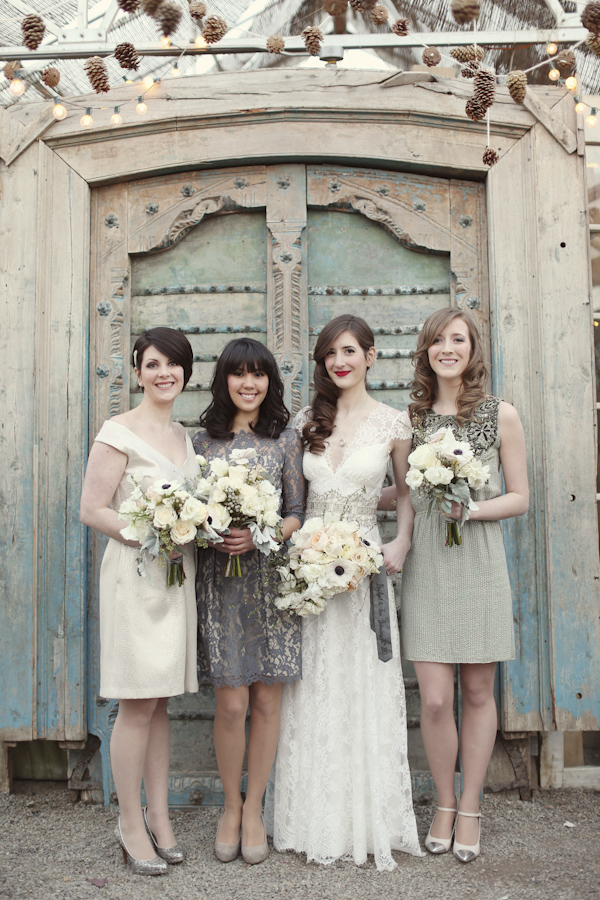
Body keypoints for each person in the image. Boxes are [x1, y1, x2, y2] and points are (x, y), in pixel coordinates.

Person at [264, 314, 422, 871]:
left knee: (361, 680)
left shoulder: (394, 424)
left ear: (371, 356)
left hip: (361, 566)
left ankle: (364, 818)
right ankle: (310, 817)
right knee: (311, 683)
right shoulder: (308, 420)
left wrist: (400, 542)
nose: (340, 361)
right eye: (330, 353)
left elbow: (405, 493)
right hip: (309, 565)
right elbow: (295, 497)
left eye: (350, 350)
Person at [400, 308, 529, 863]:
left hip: (478, 563)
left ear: (474, 348)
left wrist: (471, 509)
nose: (447, 348)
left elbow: (520, 497)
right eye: (438, 340)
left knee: (477, 692)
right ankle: (444, 802)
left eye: (458, 339)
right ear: (426, 350)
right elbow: (403, 492)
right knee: (433, 699)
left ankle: (471, 805)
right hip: (428, 563)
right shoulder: (413, 418)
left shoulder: (502, 415)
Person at [80, 327, 199, 876]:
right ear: (136, 371)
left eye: (173, 365)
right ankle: (129, 823)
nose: (163, 373)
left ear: (185, 373)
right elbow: (93, 508)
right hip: (135, 578)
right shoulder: (117, 431)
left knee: (161, 700)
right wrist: (152, 532)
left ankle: (160, 816)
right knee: (135, 703)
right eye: (152, 364)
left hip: (175, 581)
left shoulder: (182, 434)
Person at [193, 338, 304, 866]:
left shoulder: (284, 440)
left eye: (258, 375)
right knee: (232, 702)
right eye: (238, 374)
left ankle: (256, 807)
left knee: (265, 700)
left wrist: (264, 532)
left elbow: (296, 512)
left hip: (270, 584)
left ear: (269, 382)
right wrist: (213, 531)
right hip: (222, 584)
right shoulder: (202, 443)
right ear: (225, 381)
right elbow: (189, 513)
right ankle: (230, 807)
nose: (248, 383)